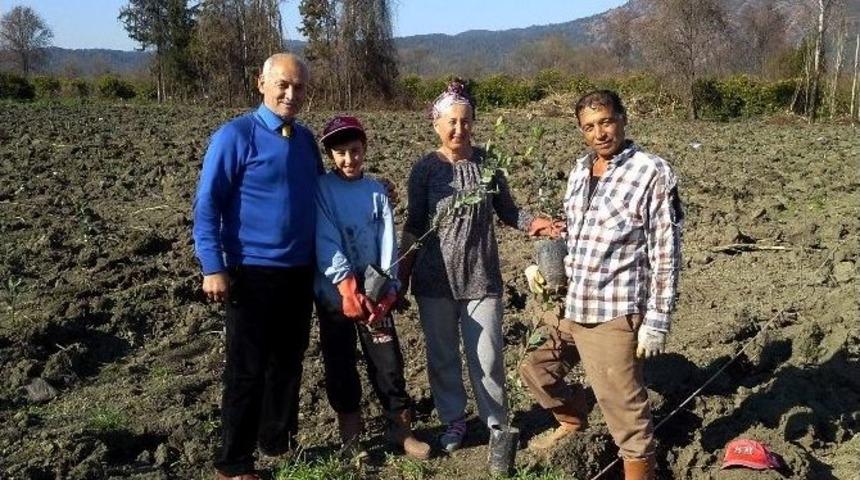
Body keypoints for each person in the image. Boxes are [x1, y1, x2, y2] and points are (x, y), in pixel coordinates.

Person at [519, 90, 683, 480]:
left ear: (623, 119)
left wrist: (657, 319)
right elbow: (576, 233)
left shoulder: (652, 172)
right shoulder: (580, 170)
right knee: (535, 369)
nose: (600, 133)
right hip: (573, 303)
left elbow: (666, 250)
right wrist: (550, 269)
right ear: (581, 131)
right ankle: (574, 420)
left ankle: (641, 471)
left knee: (625, 412)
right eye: (589, 127)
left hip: (615, 310)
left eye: (606, 122)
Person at [398, 81, 561, 453]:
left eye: (466, 121)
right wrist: (401, 275)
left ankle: (497, 425)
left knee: (487, 358)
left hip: (481, 277)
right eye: (451, 122)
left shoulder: (488, 164)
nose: (459, 129)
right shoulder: (425, 169)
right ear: (436, 125)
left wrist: (537, 223)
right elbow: (415, 223)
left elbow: (508, 210)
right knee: (442, 359)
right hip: (434, 282)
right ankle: (454, 421)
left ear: (474, 122)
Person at [192, 53, 321, 480]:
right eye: (283, 84)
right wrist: (214, 266)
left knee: (288, 361)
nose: (290, 93)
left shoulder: (304, 142)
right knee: (246, 370)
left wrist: (372, 192)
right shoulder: (235, 137)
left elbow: (321, 196)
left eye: (299, 87)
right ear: (260, 83)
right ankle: (233, 463)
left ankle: (276, 440)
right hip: (251, 271)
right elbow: (208, 205)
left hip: (299, 270)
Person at [313, 115, 431, 460]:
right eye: (340, 153)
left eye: (354, 150)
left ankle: (401, 428)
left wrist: (389, 288)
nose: (349, 159)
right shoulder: (322, 190)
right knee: (340, 363)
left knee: (388, 362)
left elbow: (387, 242)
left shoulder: (376, 192)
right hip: (336, 296)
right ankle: (351, 435)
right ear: (330, 155)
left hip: (376, 298)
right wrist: (347, 288)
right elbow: (325, 239)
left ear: (364, 148)